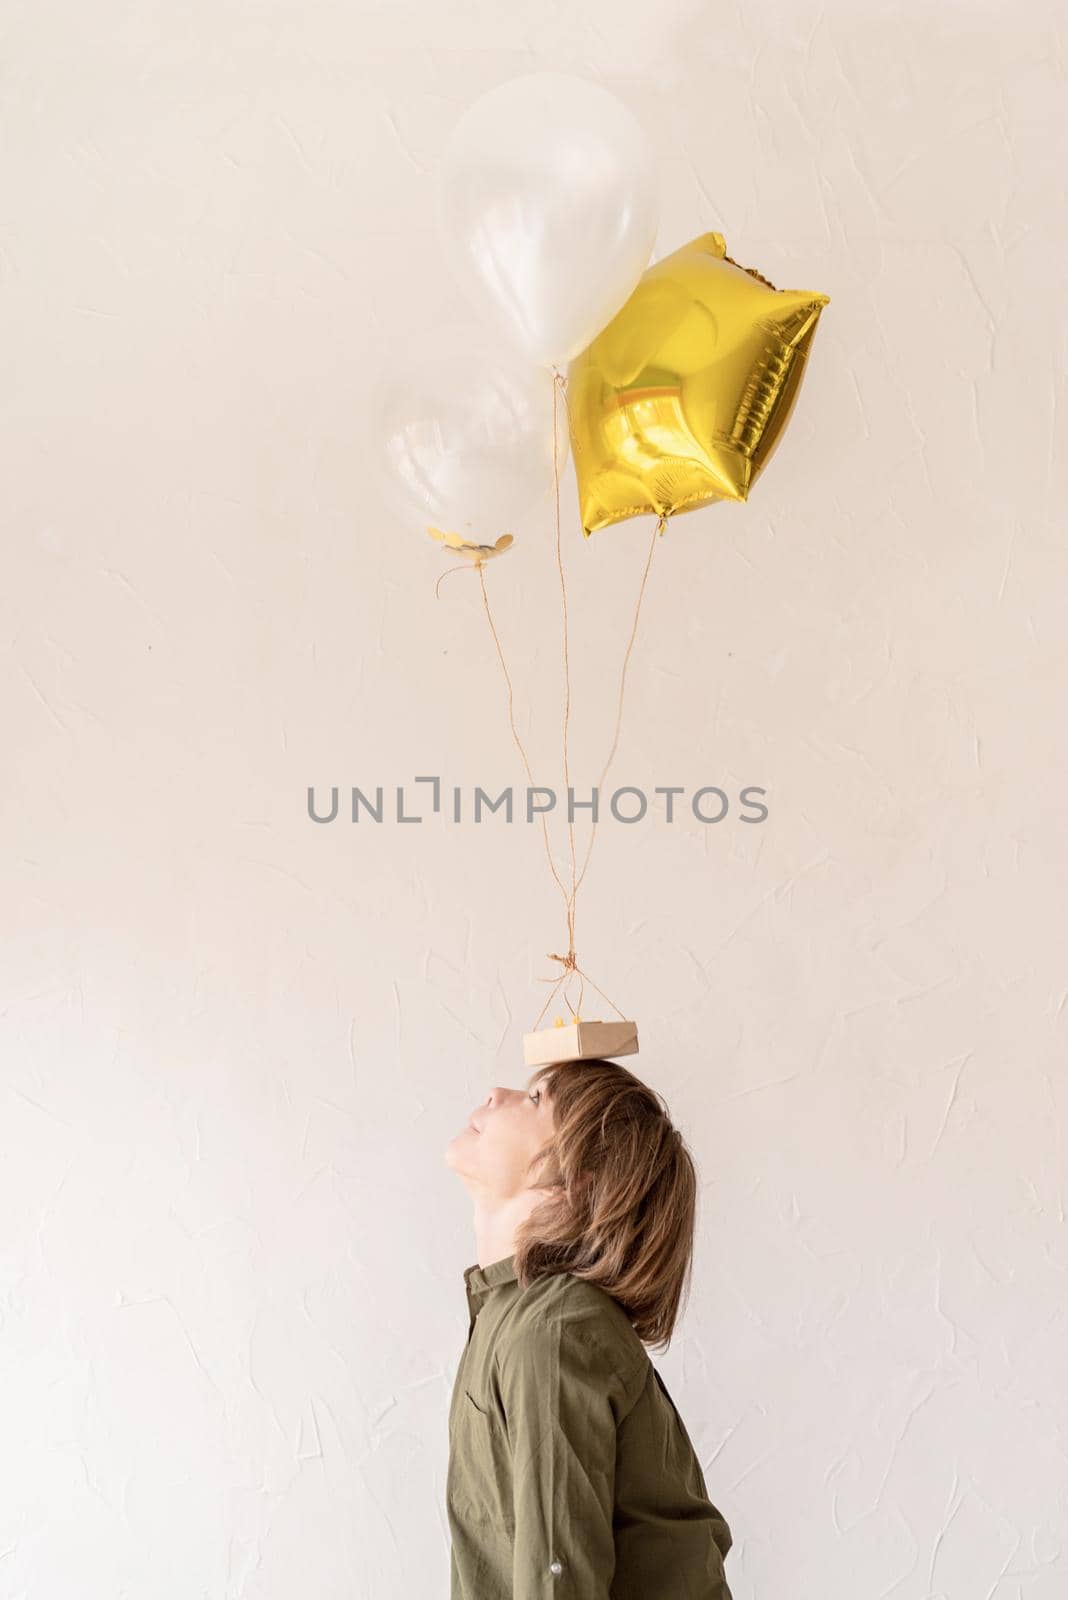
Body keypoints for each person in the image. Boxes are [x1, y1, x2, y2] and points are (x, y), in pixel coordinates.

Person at [443, 1054, 735, 1599]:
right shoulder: (514, 1314)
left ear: (573, 1183)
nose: (496, 1093)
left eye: (536, 1100)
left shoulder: (549, 1333)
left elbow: (559, 1582)